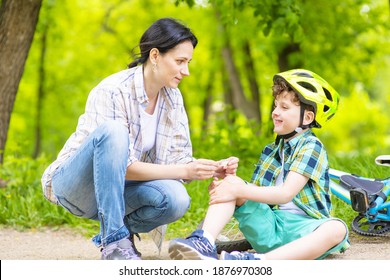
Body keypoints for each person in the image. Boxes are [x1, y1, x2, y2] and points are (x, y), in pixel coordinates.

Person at [41, 17, 238, 260]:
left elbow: (178, 160)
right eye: (180, 61)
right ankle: (114, 243)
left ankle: (119, 235)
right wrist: (186, 170)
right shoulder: (112, 90)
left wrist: (206, 167)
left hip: (118, 194)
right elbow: (121, 167)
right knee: (114, 130)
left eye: (188, 62)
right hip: (78, 187)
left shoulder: (173, 99)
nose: (186, 71)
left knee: (176, 198)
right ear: (155, 55)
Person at [168, 69, 350, 260]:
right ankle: (204, 242)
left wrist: (238, 190)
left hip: (304, 231)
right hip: (270, 227)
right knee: (233, 185)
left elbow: (285, 194)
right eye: (275, 106)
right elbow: (258, 193)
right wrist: (230, 180)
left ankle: (257, 262)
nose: (275, 113)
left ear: (307, 118)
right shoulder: (271, 150)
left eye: (284, 108)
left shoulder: (311, 146)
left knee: (336, 228)